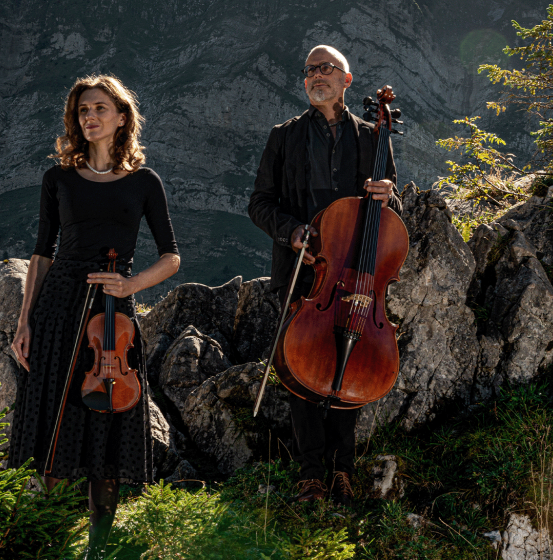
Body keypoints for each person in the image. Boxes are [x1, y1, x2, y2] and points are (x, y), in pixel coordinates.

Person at [8, 74, 179, 559]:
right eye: (83, 110)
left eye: (100, 108)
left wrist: (130, 284)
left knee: (106, 417)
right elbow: (42, 254)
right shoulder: (56, 179)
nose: (90, 117)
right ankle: (47, 537)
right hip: (59, 305)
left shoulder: (146, 182)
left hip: (112, 312)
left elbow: (172, 257)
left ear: (121, 117)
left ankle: (97, 547)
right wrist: (25, 321)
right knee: (52, 417)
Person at [248, 45, 402, 506]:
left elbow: (390, 209)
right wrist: (292, 231)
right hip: (303, 272)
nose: (316, 76)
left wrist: (387, 195)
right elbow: (259, 203)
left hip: (357, 273)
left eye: (326, 68)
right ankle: (311, 472)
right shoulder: (284, 136)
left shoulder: (374, 136)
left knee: (351, 365)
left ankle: (343, 469)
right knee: (303, 371)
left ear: (346, 80)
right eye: (310, 70)